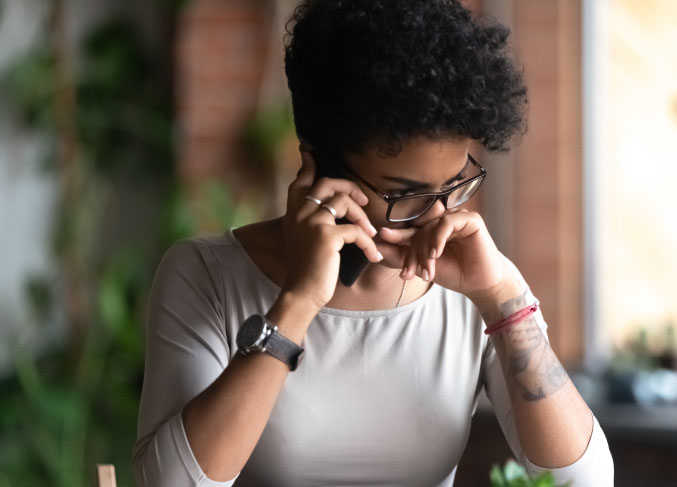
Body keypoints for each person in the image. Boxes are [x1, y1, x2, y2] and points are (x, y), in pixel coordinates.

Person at [133, 1, 614, 486]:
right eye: (405, 195)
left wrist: (503, 297)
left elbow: (585, 482)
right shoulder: (206, 277)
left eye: (455, 184)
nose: (437, 217)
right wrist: (298, 304)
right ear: (317, 166)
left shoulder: (476, 288)